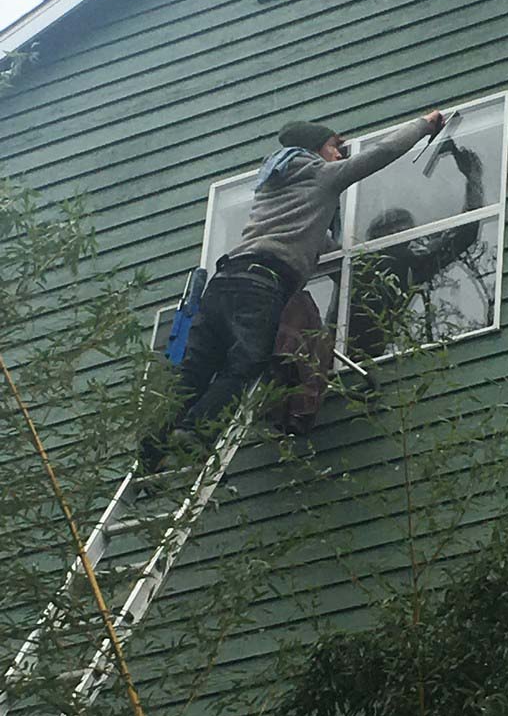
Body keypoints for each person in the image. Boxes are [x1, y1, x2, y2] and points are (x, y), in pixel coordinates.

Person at [140, 110, 443, 470]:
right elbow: (378, 155)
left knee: (195, 368)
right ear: (316, 149)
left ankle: (154, 443)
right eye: (335, 147)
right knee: (247, 361)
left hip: (224, 283)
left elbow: (318, 239)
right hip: (260, 284)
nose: (341, 155)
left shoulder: (274, 181)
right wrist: (425, 125)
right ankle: (196, 430)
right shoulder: (320, 175)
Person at [345, 139, 485, 358]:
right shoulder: (368, 266)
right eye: (394, 233)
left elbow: (463, 235)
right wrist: (473, 179)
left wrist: (473, 180)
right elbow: (461, 236)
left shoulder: (406, 263)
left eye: (404, 231)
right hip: (350, 345)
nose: (401, 237)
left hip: (369, 348)